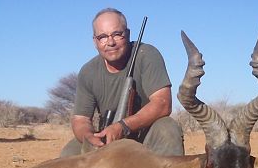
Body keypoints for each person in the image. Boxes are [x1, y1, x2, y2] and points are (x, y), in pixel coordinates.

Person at [60, 8, 184, 157]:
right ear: (95, 41)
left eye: (117, 34)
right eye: (103, 37)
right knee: (69, 153)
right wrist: (89, 137)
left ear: (128, 34)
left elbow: (162, 103)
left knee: (167, 128)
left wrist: (123, 127)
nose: (110, 42)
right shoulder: (88, 71)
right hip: (107, 138)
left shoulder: (147, 54)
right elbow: (81, 119)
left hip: (145, 137)